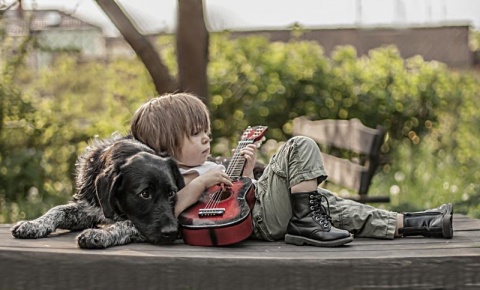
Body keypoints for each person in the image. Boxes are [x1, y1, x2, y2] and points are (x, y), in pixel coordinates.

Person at [130, 92, 453, 247]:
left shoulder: (206, 165)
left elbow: (236, 198)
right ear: (166, 146)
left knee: (328, 203)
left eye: (206, 131)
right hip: (257, 223)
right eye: (195, 133)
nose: (206, 137)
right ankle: (306, 223)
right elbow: (167, 213)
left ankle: (418, 223)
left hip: (251, 217)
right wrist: (201, 184)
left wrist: (244, 171)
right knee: (298, 146)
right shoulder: (172, 177)